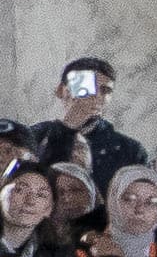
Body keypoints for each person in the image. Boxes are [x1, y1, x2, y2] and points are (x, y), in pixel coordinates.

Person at [33, 55, 141, 196]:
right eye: (85, 87)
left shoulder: (130, 151)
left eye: (105, 90)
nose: (95, 96)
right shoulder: (32, 137)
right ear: (60, 90)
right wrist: (67, 129)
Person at [0, 159, 72, 257]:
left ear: (49, 208)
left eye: (41, 195)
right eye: (20, 190)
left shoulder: (56, 255)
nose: (30, 201)